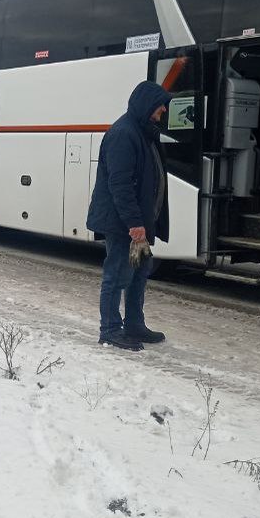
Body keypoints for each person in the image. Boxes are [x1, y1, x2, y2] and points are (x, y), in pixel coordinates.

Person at [86, 81, 172, 351]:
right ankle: (110, 329)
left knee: (139, 272)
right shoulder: (124, 134)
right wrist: (135, 224)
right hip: (123, 224)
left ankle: (134, 323)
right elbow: (120, 185)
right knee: (118, 274)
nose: (162, 112)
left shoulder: (144, 133)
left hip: (138, 224)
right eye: (160, 107)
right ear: (146, 105)